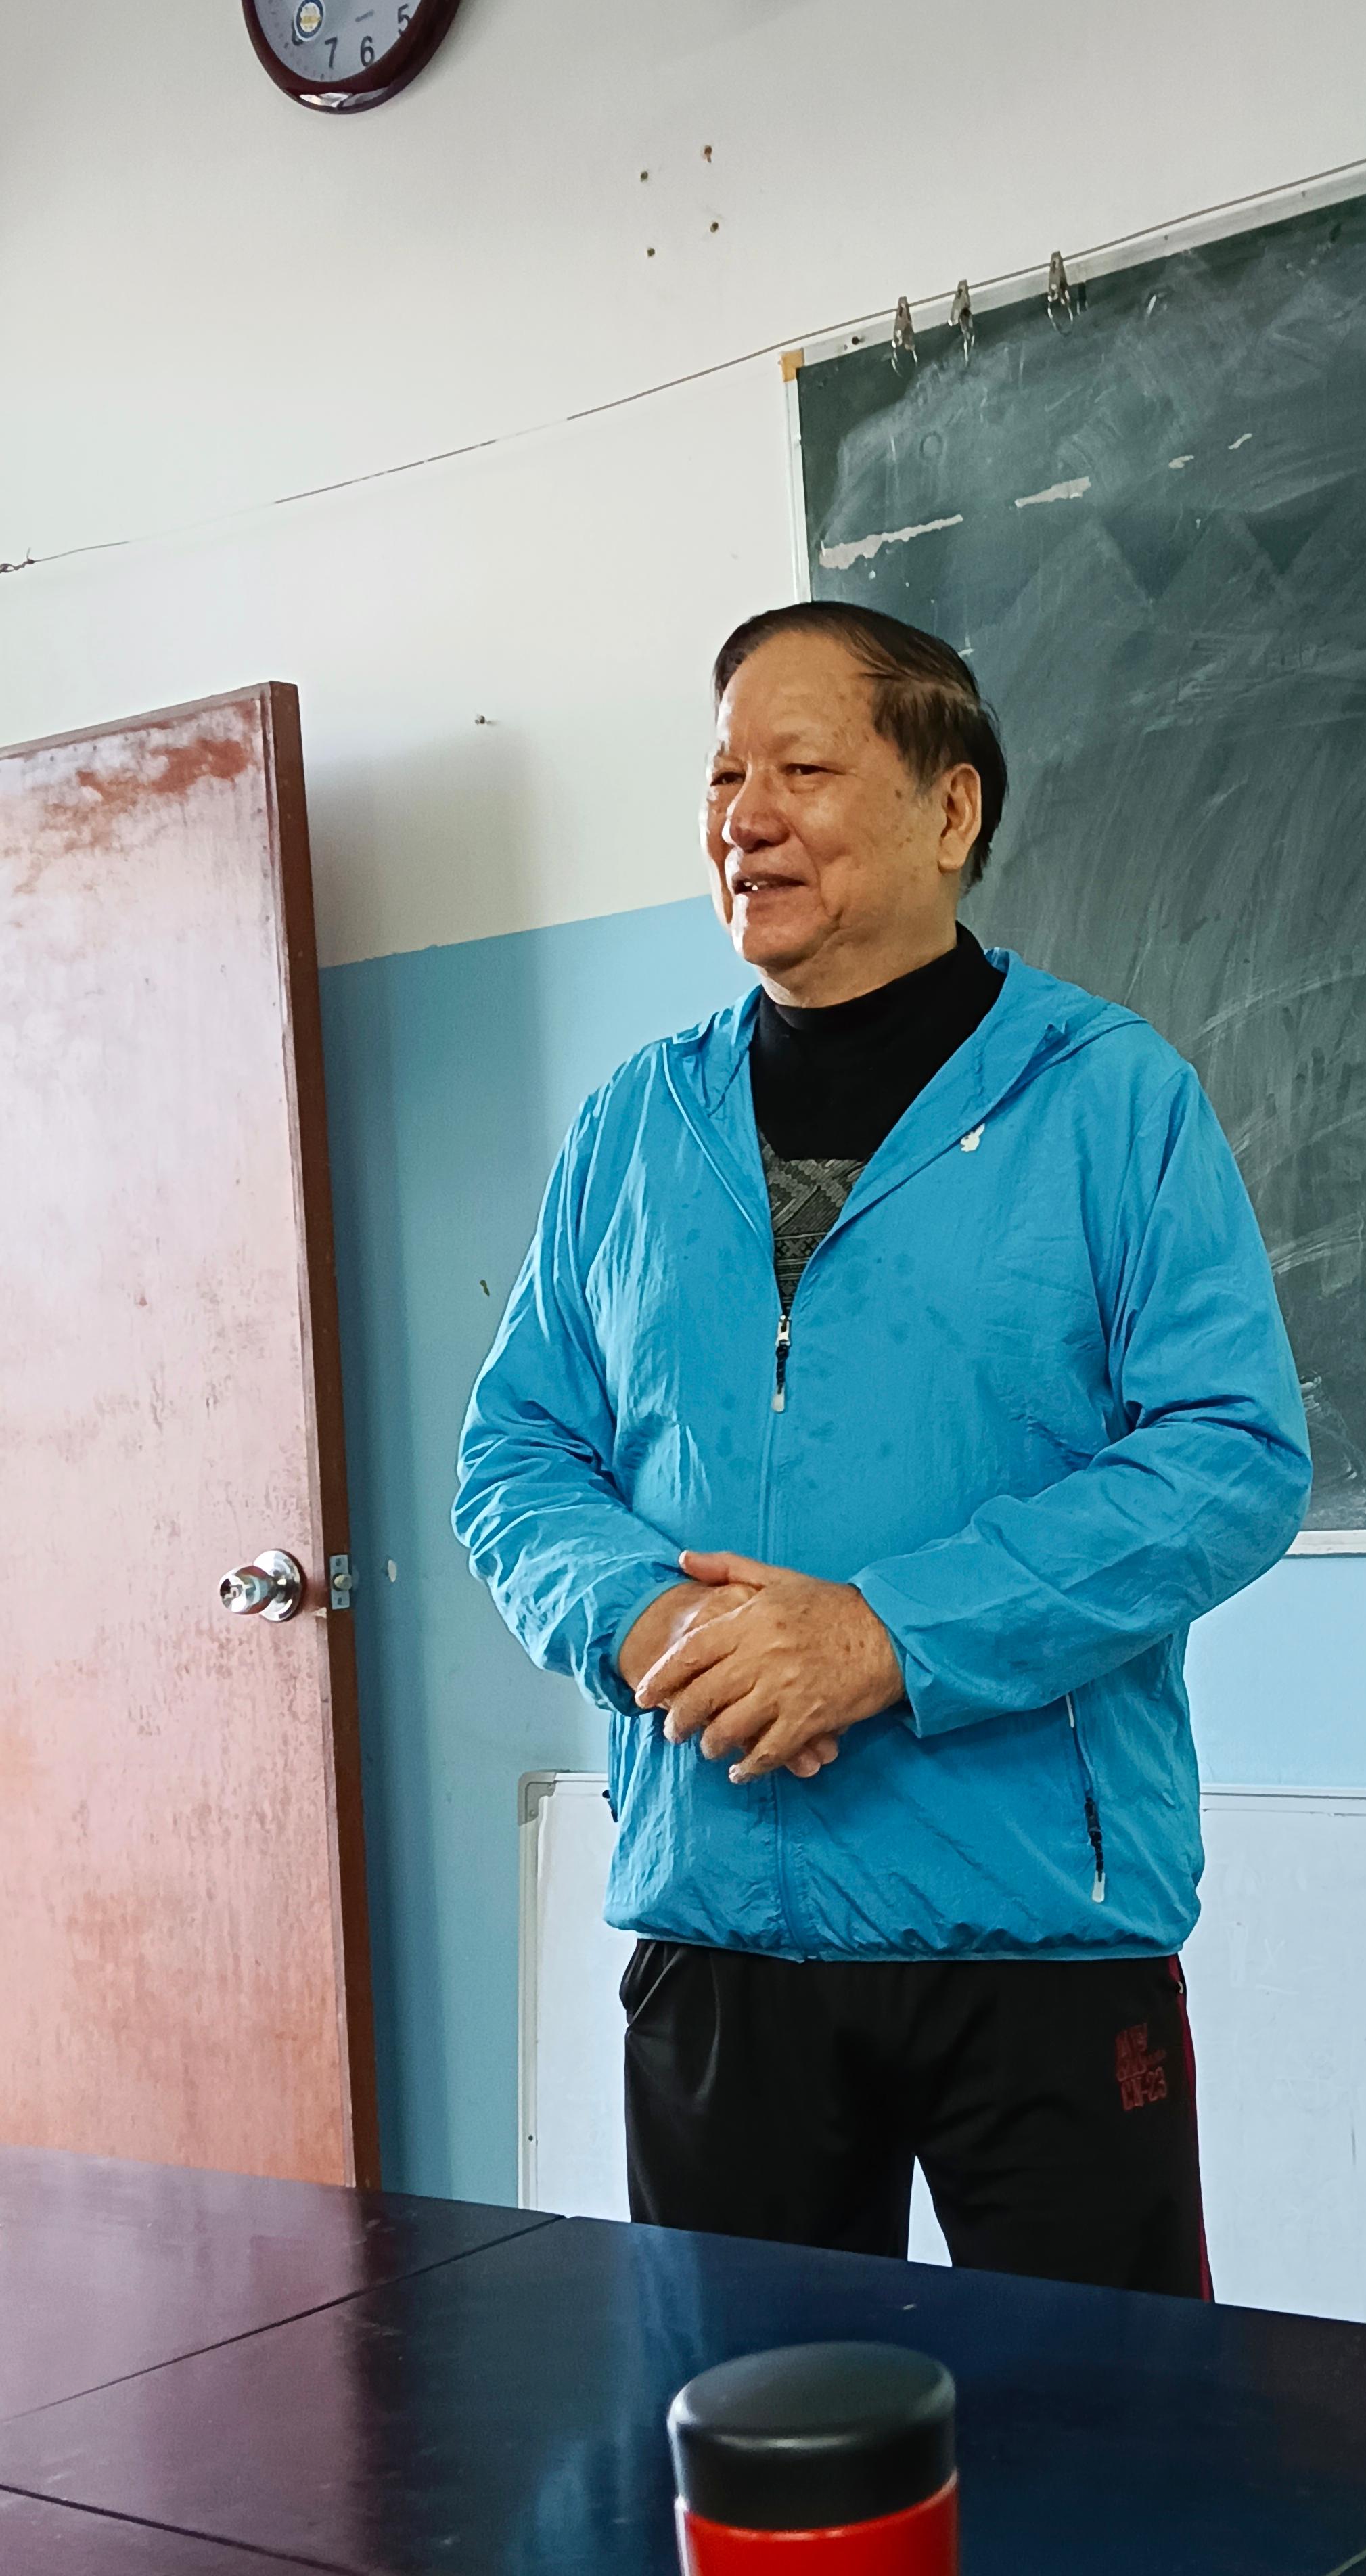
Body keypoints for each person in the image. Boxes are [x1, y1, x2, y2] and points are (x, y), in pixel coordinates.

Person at [455, 604, 1310, 2297]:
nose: (745, 817)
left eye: (802, 768)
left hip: (1035, 1927)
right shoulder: (636, 1124)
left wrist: (886, 1638)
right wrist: (648, 1623)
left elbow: (1228, 1456)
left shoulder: (1109, 1099)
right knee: (750, 2427)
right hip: (722, 1912)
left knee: (1106, 2432)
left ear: (950, 808)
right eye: (723, 777)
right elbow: (518, 1455)